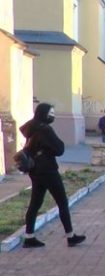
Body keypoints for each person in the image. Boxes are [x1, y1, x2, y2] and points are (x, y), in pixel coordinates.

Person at [19, 103, 86, 248]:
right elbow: (59, 148)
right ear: (44, 114)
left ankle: (29, 237)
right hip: (48, 170)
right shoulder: (45, 129)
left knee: (35, 204)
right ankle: (70, 236)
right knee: (62, 202)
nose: (53, 116)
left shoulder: (31, 128)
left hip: (35, 170)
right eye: (51, 113)